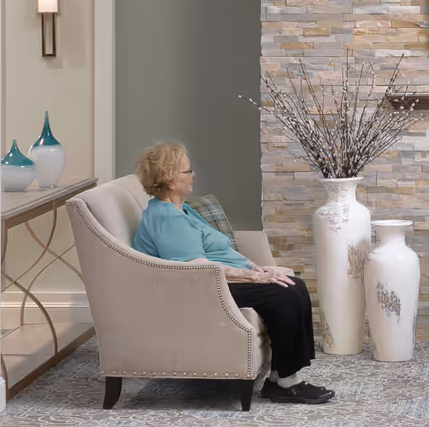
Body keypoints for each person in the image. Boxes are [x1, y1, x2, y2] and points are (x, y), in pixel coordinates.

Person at [129, 141, 335, 405]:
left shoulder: (184, 209)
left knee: (294, 285)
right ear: (169, 180)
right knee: (282, 293)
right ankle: (286, 384)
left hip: (213, 280)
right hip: (196, 289)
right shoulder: (166, 218)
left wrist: (255, 267)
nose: (193, 175)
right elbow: (197, 268)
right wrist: (254, 278)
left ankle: (281, 378)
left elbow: (220, 247)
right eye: (187, 171)